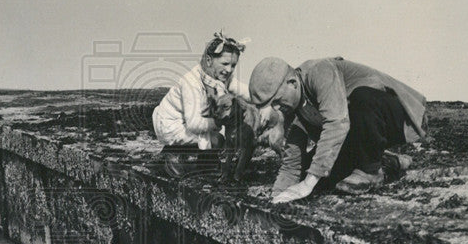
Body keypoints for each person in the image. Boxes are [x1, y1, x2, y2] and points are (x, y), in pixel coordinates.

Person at [247, 55, 427, 203]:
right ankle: (388, 161)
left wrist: (308, 184)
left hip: (395, 116)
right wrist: (276, 197)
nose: (277, 108)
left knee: (362, 98)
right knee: (313, 173)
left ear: (292, 82)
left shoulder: (319, 71)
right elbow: (293, 163)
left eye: (277, 101)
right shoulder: (292, 108)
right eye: (272, 105)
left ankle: (371, 170)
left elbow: (337, 123)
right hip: (358, 134)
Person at [152, 32, 249, 152]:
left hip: (192, 121)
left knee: (223, 138)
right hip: (173, 124)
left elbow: (246, 92)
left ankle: (202, 158)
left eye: (233, 65)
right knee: (217, 140)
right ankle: (174, 155)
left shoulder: (222, 78)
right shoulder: (191, 82)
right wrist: (221, 121)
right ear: (209, 60)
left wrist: (266, 101)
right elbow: (194, 123)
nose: (229, 69)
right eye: (225, 64)